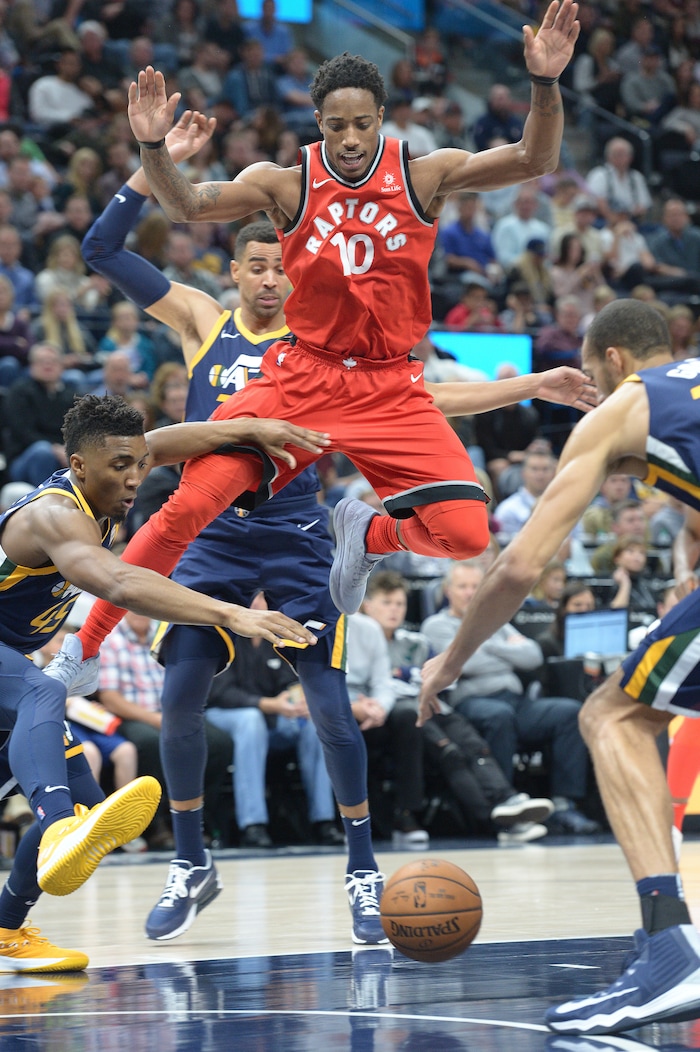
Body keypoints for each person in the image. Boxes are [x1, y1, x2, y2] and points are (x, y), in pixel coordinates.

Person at [66, 95, 598, 946]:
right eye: (260, 266)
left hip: (300, 528)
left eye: (286, 265)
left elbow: (422, 395)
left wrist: (524, 386)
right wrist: (148, 154)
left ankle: (360, 869)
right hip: (219, 538)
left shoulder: (336, 328)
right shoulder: (205, 320)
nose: (275, 276)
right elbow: (130, 234)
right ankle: (187, 851)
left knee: (332, 709)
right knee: (182, 695)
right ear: (237, 272)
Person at [419, 297, 700, 1035]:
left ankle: (670, 947)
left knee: (611, 714)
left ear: (611, 360)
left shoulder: (621, 408)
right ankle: (657, 946)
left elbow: (517, 568)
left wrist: (449, 661)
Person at [0, 392, 321, 970]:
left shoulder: (115, 468)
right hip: (13, 667)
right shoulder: (55, 515)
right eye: (119, 467)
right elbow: (120, 582)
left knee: (87, 802)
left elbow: (180, 439)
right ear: (78, 466)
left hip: (9, 662)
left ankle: (5, 927)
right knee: (45, 695)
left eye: (138, 465)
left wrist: (250, 428)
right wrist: (230, 612)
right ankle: (52, 832)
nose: (133, 478)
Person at [362, 570, 553, 842]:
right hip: (399, 715)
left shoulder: (414, 642)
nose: (394, 610)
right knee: (451, 754)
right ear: (367, 605)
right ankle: (496, 823)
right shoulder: (358, 640)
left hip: (434, 705)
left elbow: (443, 675)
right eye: (387, 603)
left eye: (400, 604)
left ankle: (508, 800)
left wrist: (406, 676)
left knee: (474, 745)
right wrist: (410, 677)